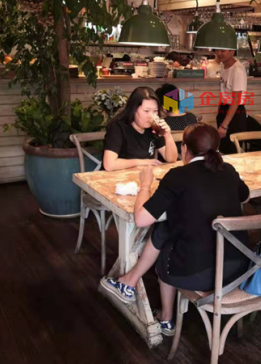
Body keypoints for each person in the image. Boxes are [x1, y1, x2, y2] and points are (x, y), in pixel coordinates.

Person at [101, 123, 250, 335]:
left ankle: (163, 316)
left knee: (166, 236)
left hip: (198, 276)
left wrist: (145, 184)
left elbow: (141, 219)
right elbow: (245, 196)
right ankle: (135, 289)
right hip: (238, 271)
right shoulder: (229, 170)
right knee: (168, 227)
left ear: (184, 148)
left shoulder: (178, 176)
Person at [103, 86, 178, 171]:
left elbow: (171, 159)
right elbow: (109, 165)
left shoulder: (154, 128)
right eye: (146, 111)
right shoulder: (118, 127)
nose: (151, 116)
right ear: (134, 109)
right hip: (118, 177)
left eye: (155, 111)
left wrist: (167, 135)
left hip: (143, 175)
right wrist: (141, 162)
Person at [215, 49, 248, 154]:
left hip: (235, 113)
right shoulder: (223, 66)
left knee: (232, 153)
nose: (219, 53)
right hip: (224, 110)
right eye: (217, 50)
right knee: (223, 151)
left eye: (222, 51)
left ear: (232, 51)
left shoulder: (237, 70)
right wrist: (219, 113)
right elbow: (224, 92)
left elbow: (236, 99)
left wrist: (224, 125)